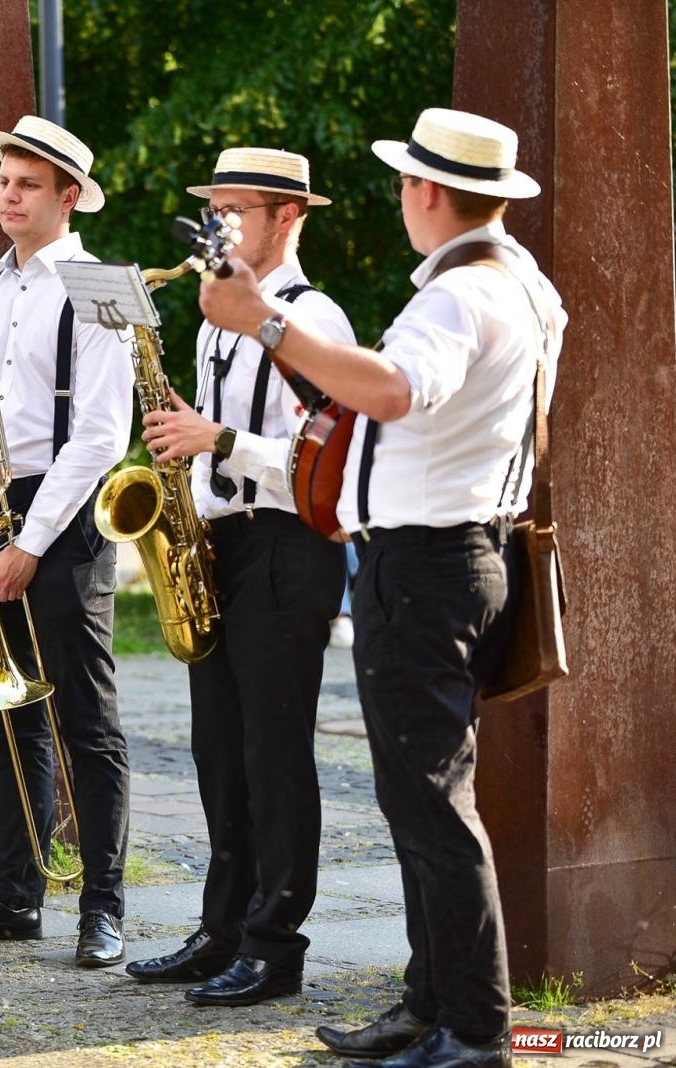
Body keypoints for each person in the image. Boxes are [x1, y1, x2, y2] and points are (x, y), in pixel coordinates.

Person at [199, 108, 566, 1068]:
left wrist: (268, 320)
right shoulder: (520, 282)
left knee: (432, 806)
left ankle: (474, 1030)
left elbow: (397, 392)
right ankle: (430, 1007)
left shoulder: (458, 296)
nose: (402, 197)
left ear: (426, 191)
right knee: (422, 799)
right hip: (457, 557)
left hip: (428, 567)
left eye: (406, 182)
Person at [130, 148, 355, 1006]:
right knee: (218, 749)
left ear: (286, 217)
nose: (216, 229)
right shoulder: (211, 316)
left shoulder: (315, 314)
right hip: (222, 545)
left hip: (289, 543)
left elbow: (328, 452)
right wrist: (182, 517)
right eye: (212, 212)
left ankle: (274, 945)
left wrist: (220, 443)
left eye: (235, 212)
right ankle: (222, 928)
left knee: (275, 754)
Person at [0, 116, 134, 967]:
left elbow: (104, 434)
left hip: (61, 519)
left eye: (28, 184)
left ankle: (102, 906)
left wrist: (33, 542)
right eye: (4, 180)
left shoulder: (99, 284)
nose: (9, 195)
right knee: (9, 719)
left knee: (87, 720)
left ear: (68, 198)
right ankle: (15, 897)